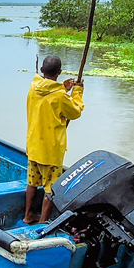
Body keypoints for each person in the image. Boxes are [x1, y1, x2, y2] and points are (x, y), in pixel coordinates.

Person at [24, 55, 84, 224]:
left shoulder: (33, 86)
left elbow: (49, 97)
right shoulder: (60, 96)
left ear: (42, 71)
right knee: (51, 189)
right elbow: (74, 111)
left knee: (32, 183)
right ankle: (43, 223)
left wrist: (64, 89)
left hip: (34, 146)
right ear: (59, 72)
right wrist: (77, 92)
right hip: (50, 151)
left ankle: (28, 215)